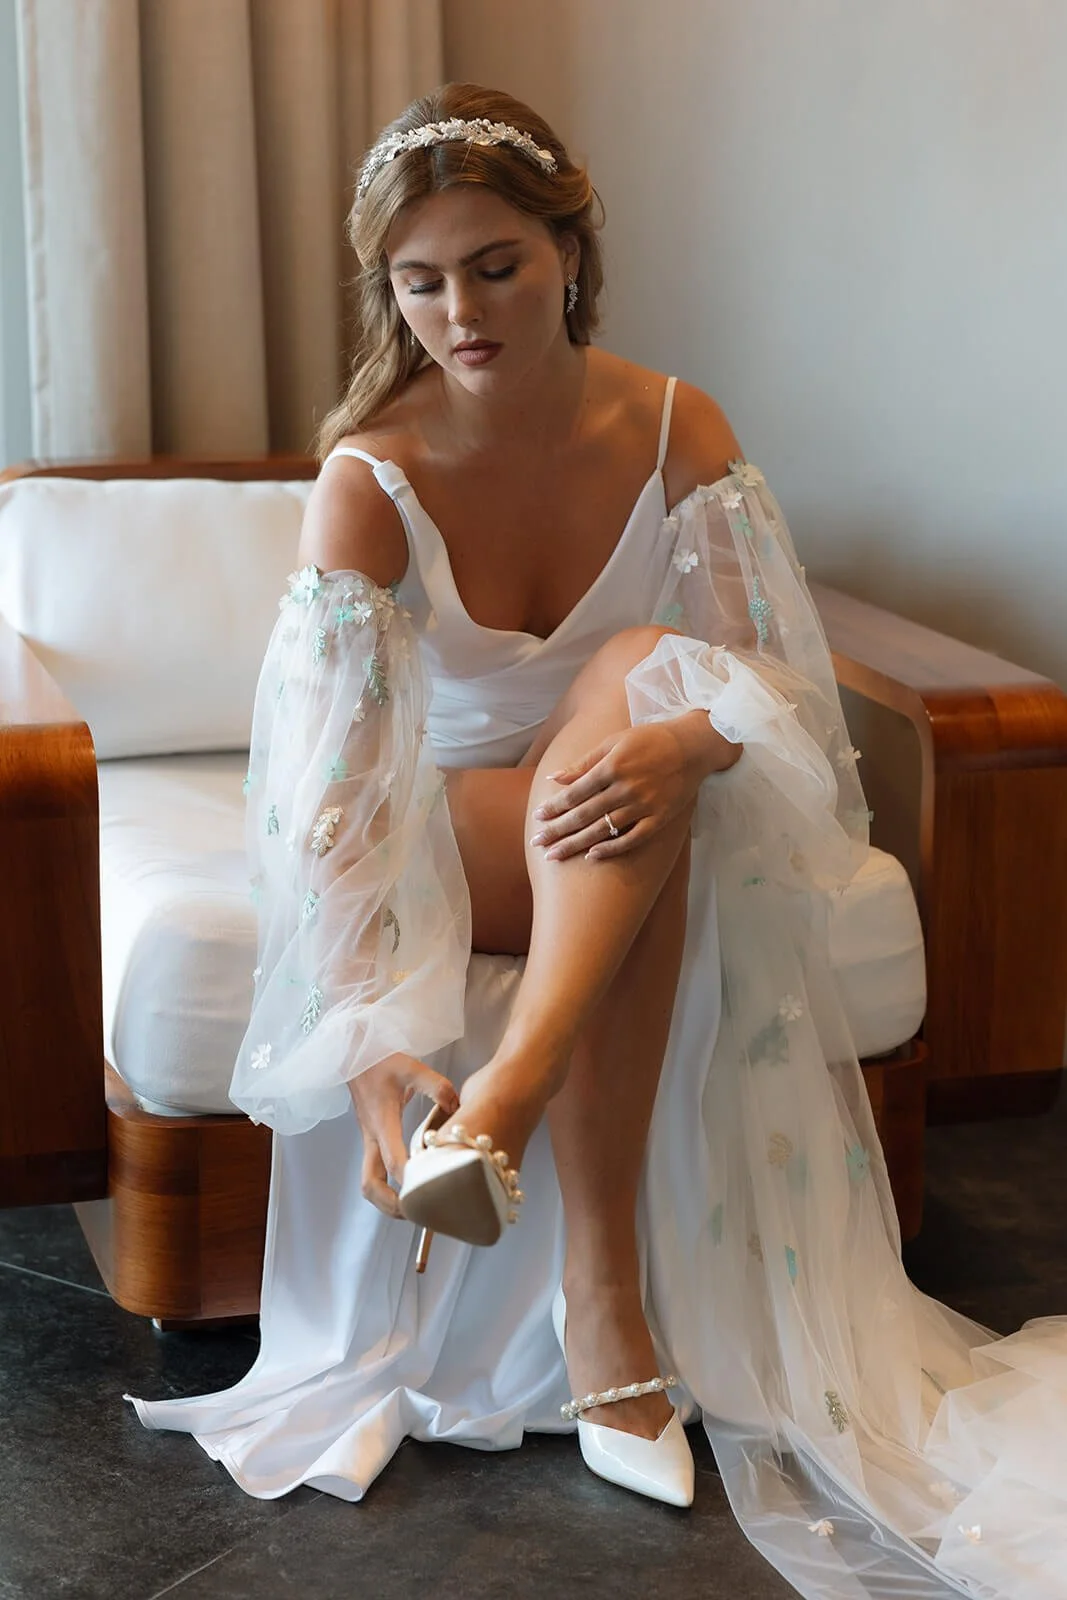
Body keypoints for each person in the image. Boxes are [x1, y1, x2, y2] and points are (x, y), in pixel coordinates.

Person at [130, 85, 1067, 1600]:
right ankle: (601, 1298)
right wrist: (366, 1036)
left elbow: (768, 679)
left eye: (494, 265)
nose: (458, 313)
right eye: (419, 281)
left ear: (571, 248)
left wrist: (679, 736)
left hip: (628, 804)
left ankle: (509, 1107)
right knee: (638, 775)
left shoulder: (673, 421)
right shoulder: (369, 477)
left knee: (648, 703)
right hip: (447, 827)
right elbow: (332, 790)